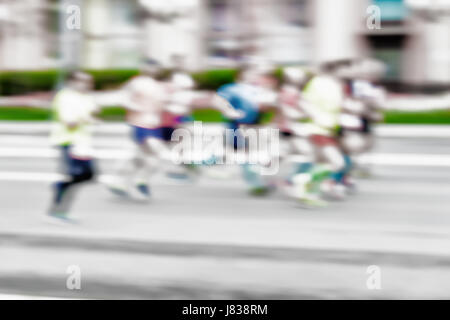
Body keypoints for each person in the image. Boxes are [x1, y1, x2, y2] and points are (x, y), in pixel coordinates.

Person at [47, 71, 99, 221]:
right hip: (68, 141)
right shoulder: (64, 97)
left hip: (83, 143)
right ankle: (57, 212)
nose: (88, 84)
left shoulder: (87, 97)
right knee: (74, 176)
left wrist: (93, 115)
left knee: (88, 175)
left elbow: (93, 112)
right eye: (84, 81)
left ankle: (60, 189)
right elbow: (69, 123)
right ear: (72, 81)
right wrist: (87, 117)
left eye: (90, 81)